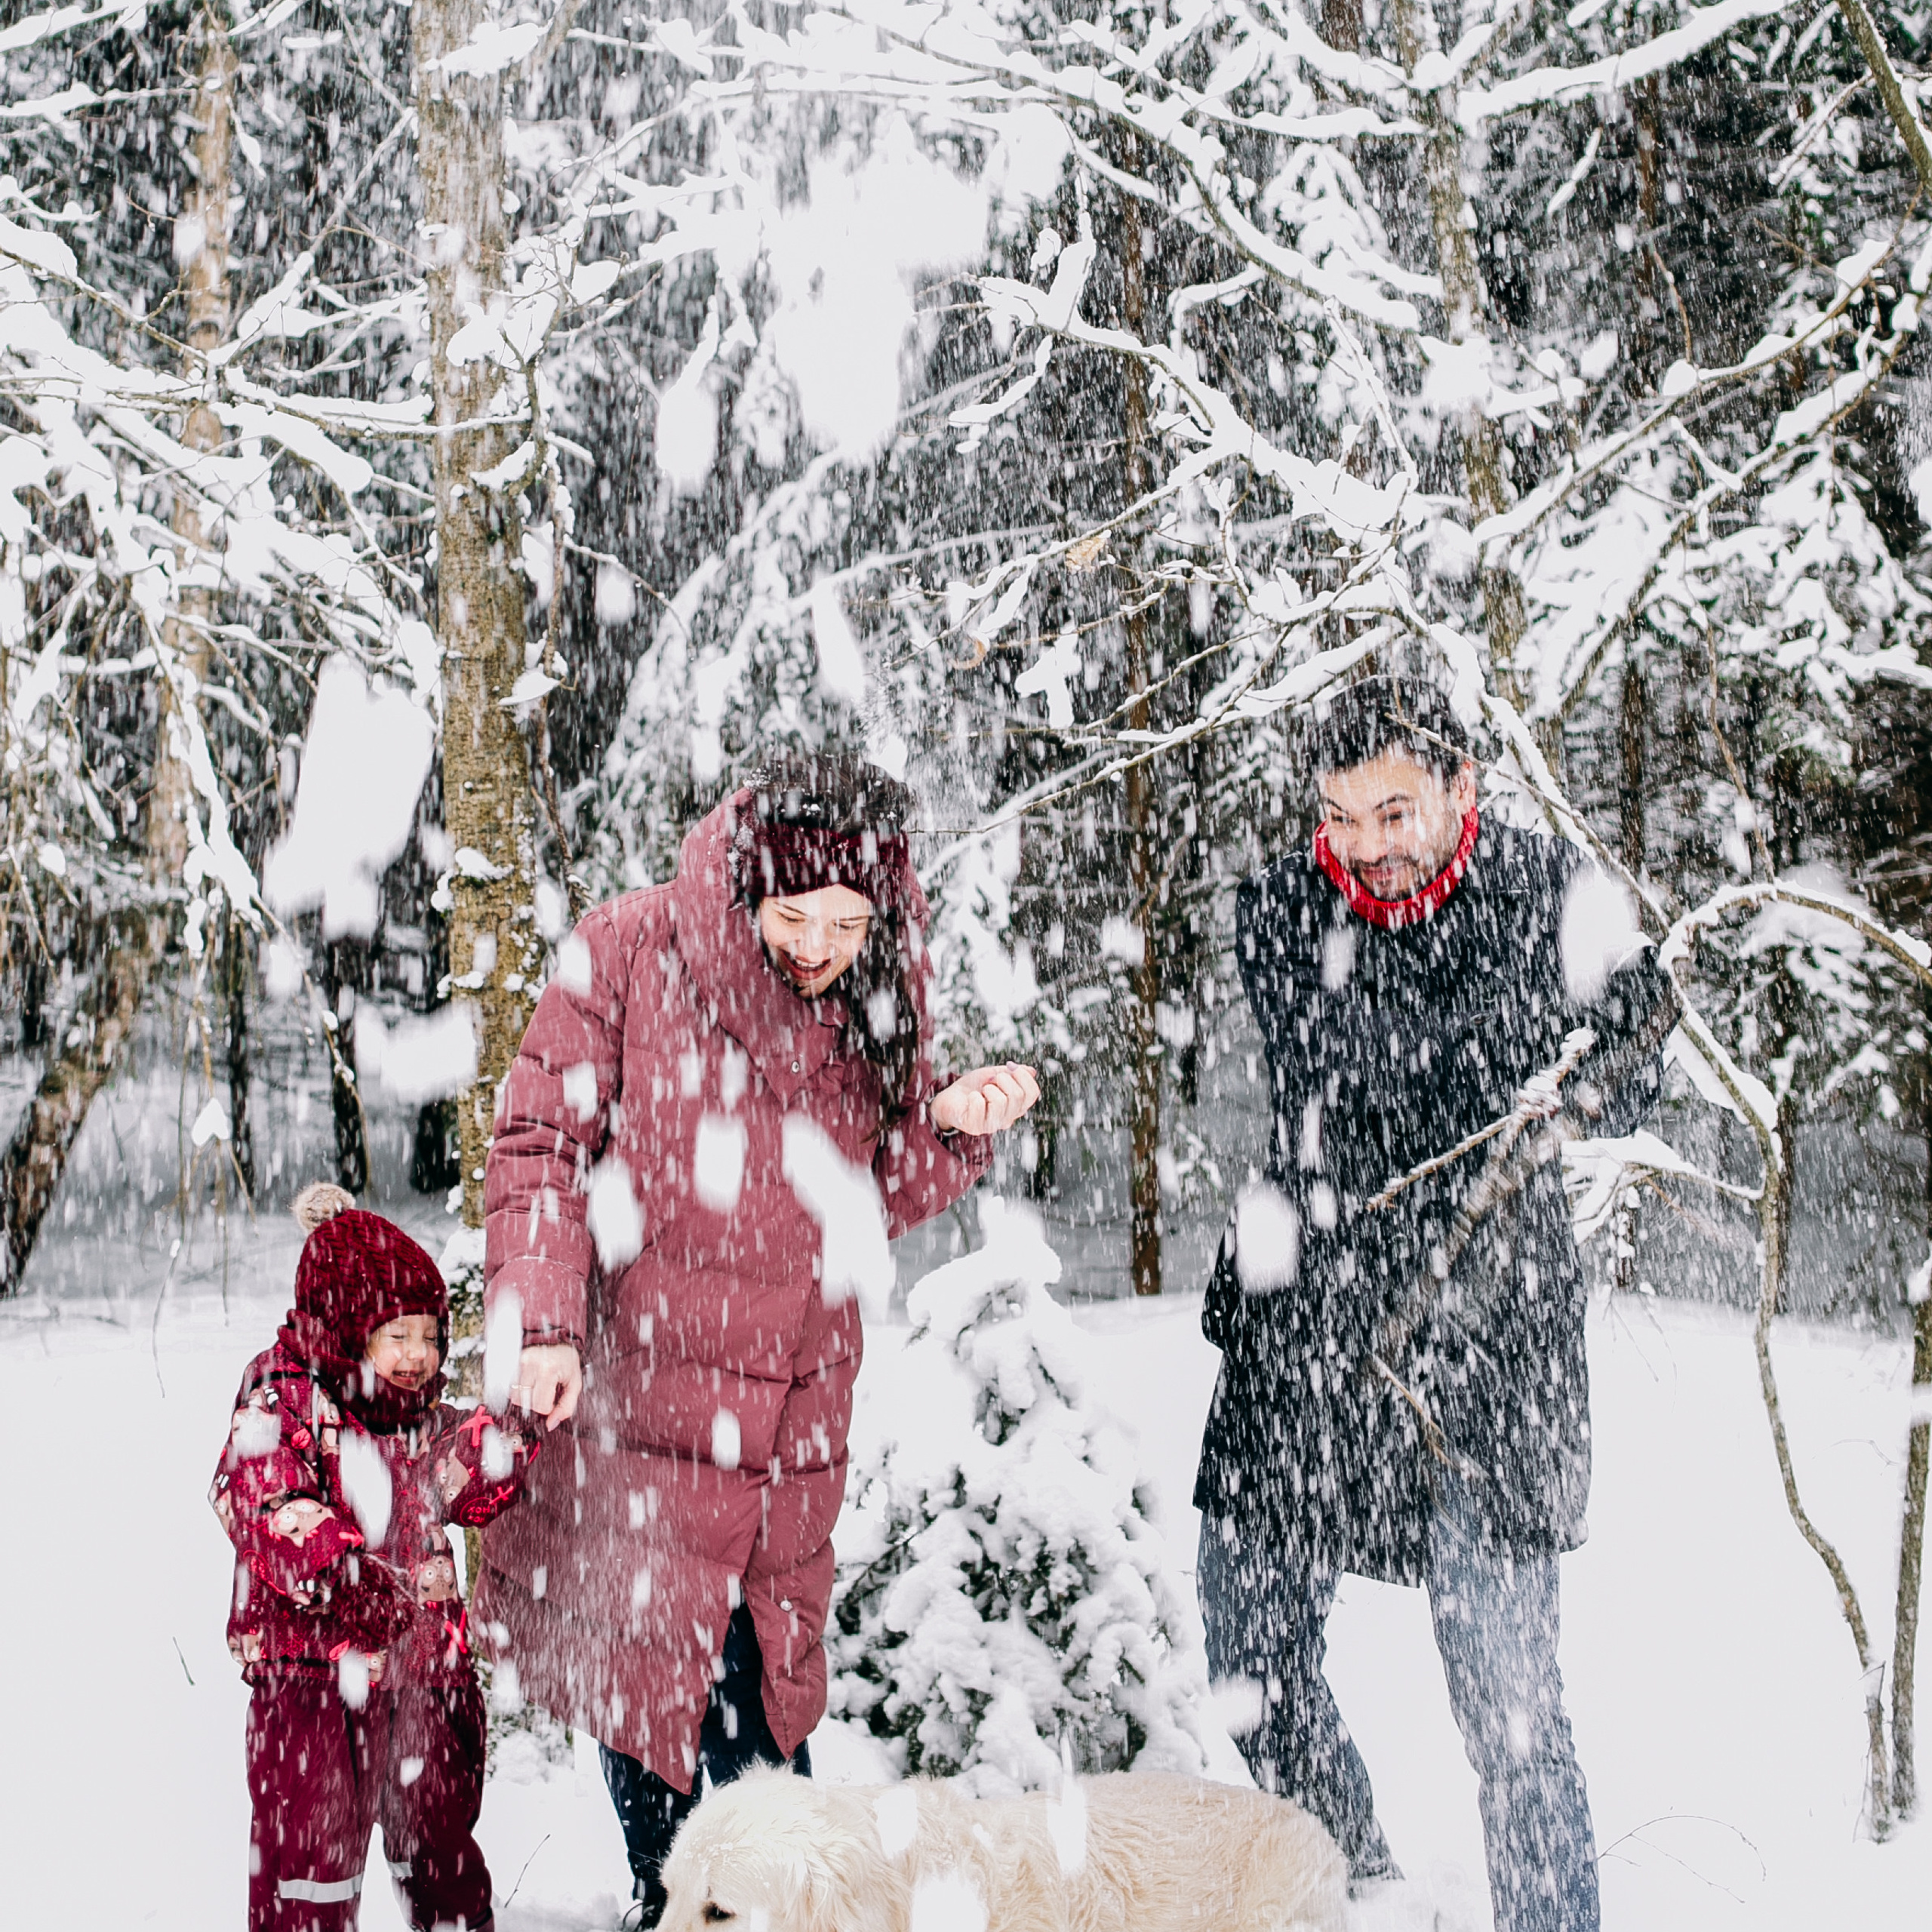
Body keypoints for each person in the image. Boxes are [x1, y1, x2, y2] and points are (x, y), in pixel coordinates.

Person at [475, 752, 1040, 1924]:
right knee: (657, 1712)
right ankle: (663, 1900)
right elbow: (538, 1149)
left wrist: (945, 1128)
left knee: (769, 1748)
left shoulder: (880, 988)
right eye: (795, 915)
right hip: (643, 1412)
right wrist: (542, 1321)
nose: (823, 943)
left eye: (848, 918)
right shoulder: (628, 951)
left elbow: (866, 1192)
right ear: (745, 886)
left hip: (787, 1421)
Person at [1193, 675, 1678, 1932]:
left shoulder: (1553, 892)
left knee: (1510, 1708)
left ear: (1464, 789)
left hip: (1496, 1338)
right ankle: (1355, 1888)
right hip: (1305, 1320)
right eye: (1343, 817)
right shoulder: (1283, 908)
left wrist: (1595, 1040)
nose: (1369, 844)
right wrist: (1525, 1049)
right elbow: (1350, 1079)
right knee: (1250, 1654)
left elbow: (1631, 1072)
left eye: (1398, 809)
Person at [211, 1183, 540, 1932]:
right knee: (311, 1866)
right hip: (315, 1686)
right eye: (400, 1336)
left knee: (440, 1851)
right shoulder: (281, 1397)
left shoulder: (416, 1418)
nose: (420, 1358)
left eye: (431, 1337)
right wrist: (341, 1573)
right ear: (350, 1327)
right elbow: (261, 1500)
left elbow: (468, 1475)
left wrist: (512, 1430)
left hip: (423, 1679)